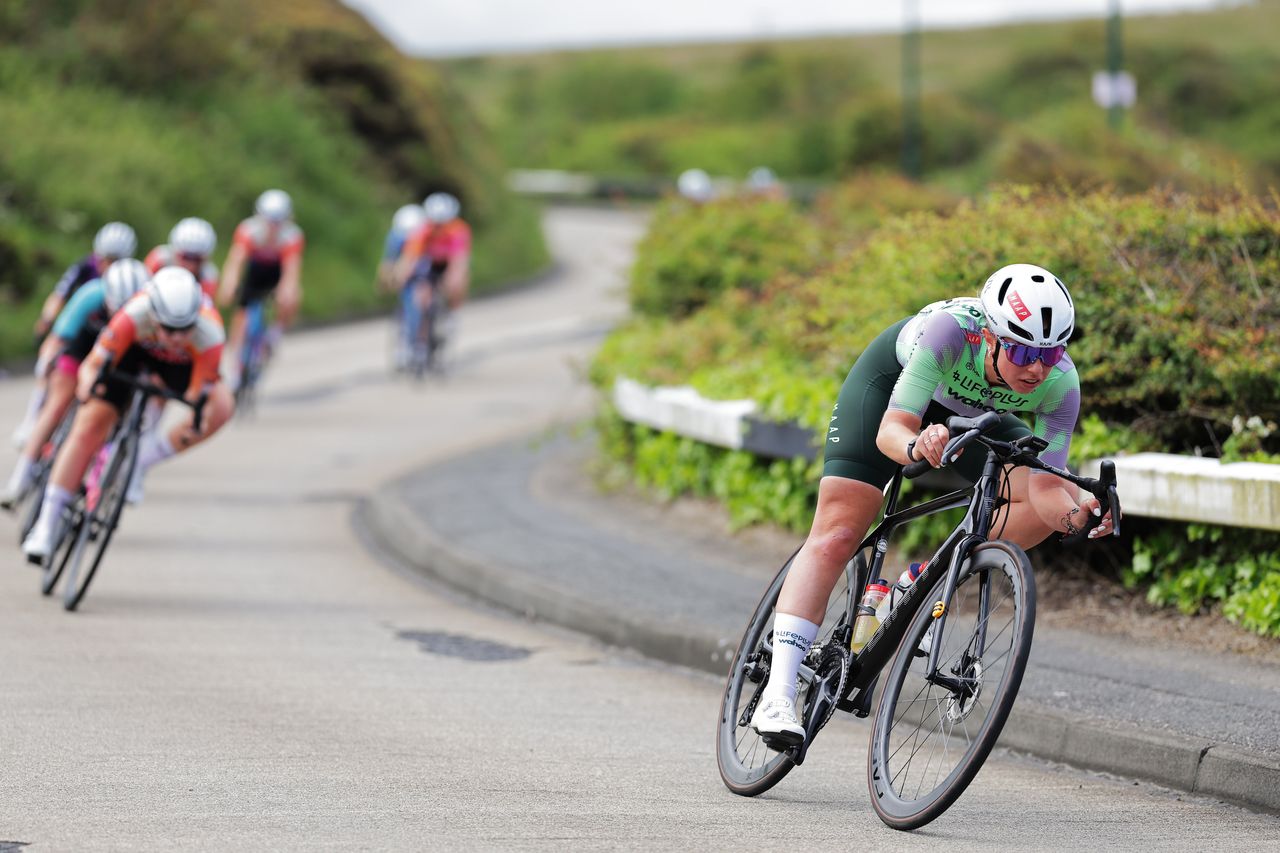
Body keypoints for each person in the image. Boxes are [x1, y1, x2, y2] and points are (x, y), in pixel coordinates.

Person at [749, 263, 1117, 746]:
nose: (1036, 368)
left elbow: (1045, 491)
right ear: (989, 336)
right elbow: (890, 430)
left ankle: (919, 582)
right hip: (893, 390)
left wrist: (1080, 515)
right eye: (1024, 350)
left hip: (973, 415)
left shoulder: (1060, 384)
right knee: (839, 531)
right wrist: (916, 446)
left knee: (1038, 487)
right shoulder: (950, 334)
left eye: (1051, 354)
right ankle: (778, 693)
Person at [21, 267, 234, 563]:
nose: (176, 337)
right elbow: (93, 366)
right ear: (152, 312)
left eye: (185, 328)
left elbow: (198, 394)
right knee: (90, 424)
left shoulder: (210, 332)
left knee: (222, 407)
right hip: (131, 354)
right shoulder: (134, 313)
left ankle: (142, 459)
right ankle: (45, 525)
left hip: (182, 365)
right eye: (169, 329)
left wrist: (192, 407)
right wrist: (89, 391)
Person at [2, 259, 151, 509]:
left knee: (114, 412)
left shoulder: (147, 313)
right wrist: (47, 368)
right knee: (58, 403)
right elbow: (59, 339)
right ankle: (19, 480)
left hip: (119, 362)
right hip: (81, 352)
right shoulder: (91, 295)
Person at [14, 222, 138, 448]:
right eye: (105, 260)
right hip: (76, 324)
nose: (108, 266)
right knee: (49, 363)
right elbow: (59, 295)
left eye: (115, 261)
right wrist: (46, 321)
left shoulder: (128, 279)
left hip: (106, 338)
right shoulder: (84, 268)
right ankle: (32, 417)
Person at [216, 189, 305, 390]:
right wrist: (229, 284)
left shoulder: (292, 236)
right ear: (259, 217)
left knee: (293, 296)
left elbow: (291, 270)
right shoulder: (248, 230)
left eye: (278, 221)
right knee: (241, 315)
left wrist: (287, 291)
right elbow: (236, 260)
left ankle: (276, 332)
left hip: (277, 272)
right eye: (269, 220)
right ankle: (236, 365)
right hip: (255, 272)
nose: (273, 226)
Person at [393, 192, 471, 353]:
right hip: (429, 263)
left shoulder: (458, 230)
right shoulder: (422, 230)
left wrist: (453, 279)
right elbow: (409, 257)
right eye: (435, 223)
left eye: (443, 223)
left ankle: (452, 313)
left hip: (449, 262)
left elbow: (459, 261)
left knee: (458, 281)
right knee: (421, 294)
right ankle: (421, 336)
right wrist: (401, 276)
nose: (438, 227)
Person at [144, 217, 220, 299]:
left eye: (197, 260)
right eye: (185, 257)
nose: (190, 264)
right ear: (175, 252)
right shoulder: (158, 258)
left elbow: (205, 306)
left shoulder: (209, 275)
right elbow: (141, 290)